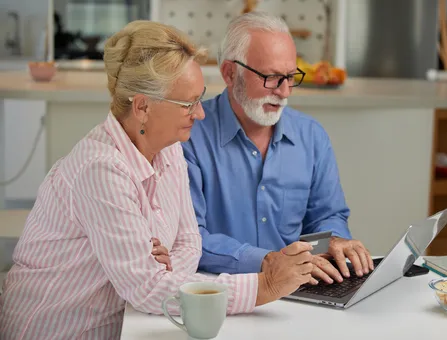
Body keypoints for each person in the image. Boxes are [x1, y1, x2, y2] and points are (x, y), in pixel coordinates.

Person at [0, 21, 315, 339]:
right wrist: (265, 285)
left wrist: (164, 269)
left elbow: (190, 243)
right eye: (187, 104)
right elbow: (148, 290)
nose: (200, 113)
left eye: (200, 98)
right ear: (143, 107)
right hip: (55, 330)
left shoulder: (171, 151)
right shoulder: (100, 169)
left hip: (120, 325)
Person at [182, 12, 374, 285]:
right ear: (229, 73)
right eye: (271, 78)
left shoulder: (311, 136)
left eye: (290, 76)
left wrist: (331, 241)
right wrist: (268, 261)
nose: (284, 92)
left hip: (301, 293)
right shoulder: (189, 137)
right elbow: (190, 238)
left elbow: (326, 216)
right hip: (220, 294)